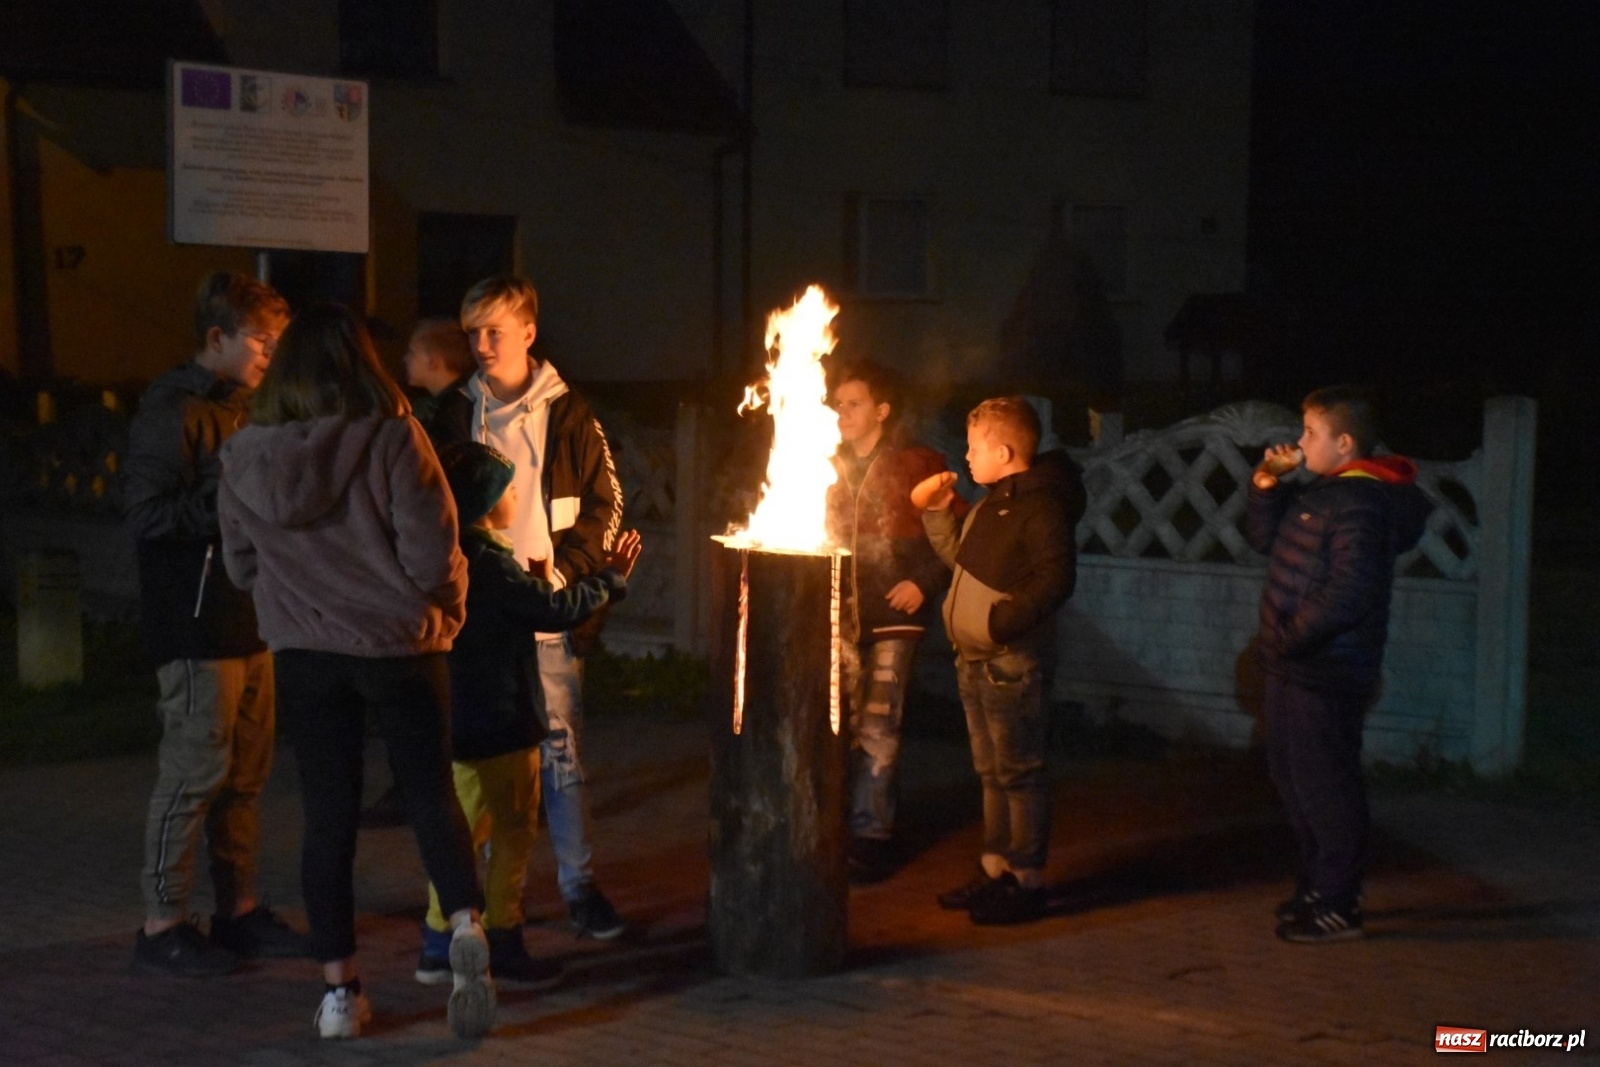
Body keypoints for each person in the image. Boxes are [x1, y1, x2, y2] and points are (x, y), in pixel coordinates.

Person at [217, 303, 495, 1040]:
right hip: (402, 644)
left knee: (328, 817)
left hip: (307, 654)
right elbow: (433, 551)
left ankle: (341, 995)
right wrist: (448, 607)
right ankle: (467, 926)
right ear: (361, 362)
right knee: (433, 793)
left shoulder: (244, 455)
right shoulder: (395, 437)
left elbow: (242, 563)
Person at [124, 270, 309, 976]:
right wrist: (232, 505)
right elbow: (148, 515)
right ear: (216, 338)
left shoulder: (255, 407)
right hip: (196, 622)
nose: (271, 355)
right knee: (193, 772)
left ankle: (238, 912)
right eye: (261, 341)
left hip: (254, 615)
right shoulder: (175, 411)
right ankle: (162, 920)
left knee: (246, 777)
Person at [439, 275, 628, 940]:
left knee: (561, 755)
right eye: (472, 333)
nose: (481, 344)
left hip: (545, 615)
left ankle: (578, 885)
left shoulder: (570, 413)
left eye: (493, 330)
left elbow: (606, 507)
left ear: (528, 331)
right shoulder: (453, 412)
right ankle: (476, 902)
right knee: (481, 764)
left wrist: (565, 585)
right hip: (476, 623)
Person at [414, 442, 641, 986]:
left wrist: (534, 583)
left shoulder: (448, 558)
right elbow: (555, 611)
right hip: (504, 724)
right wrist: (608, 579)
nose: (518, 495)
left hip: (455, 726)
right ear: (487, 504)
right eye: (509, 489)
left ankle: (437, 943)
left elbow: (518, 609)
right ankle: (503, 940)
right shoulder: (492, 564)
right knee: (513, 833)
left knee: (458, 836)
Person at [1244, 386, 1428, 943]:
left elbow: (1351, 590)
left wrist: (1290, 638)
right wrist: (1266, 483)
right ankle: (1319, 886)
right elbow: (1264, 539)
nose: (1299, 443)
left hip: (1325, 669)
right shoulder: (1325, 493)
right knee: (1292, 777)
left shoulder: (1361, 502)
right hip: (1293, 663)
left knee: (1326, 784)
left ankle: (1340, 903)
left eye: (1310, 433)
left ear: (1344, 443)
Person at [914, 396, 1081, 925]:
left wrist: (1001, 623)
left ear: (1005, 451)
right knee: (991, 773)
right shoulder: (991, 503)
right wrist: (938, 514)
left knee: (1020, 774)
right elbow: (962, 564)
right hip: (974, 661)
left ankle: (1026, 880)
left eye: (973, 447)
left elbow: (1055, 580)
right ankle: (996, 870)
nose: (965, 457)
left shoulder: (1040, 507)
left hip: (1011, 664)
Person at [825, 360, 955, 883]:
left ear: (882, 410)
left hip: (893, 620)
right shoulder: (821, 462)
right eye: (837, 403)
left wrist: (922, 581)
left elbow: (951, 534)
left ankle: (872, 835)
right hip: (836, 614)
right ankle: (832, 824)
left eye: (853, 403)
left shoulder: (916, 463)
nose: (842, 412)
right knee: (834, 724)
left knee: (879, 724)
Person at [360, 317, 480, 830]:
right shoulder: (454, 408)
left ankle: (413, 788)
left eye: (412, 353)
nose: (404, 362)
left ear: (435, 360)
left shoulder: (441, 418)